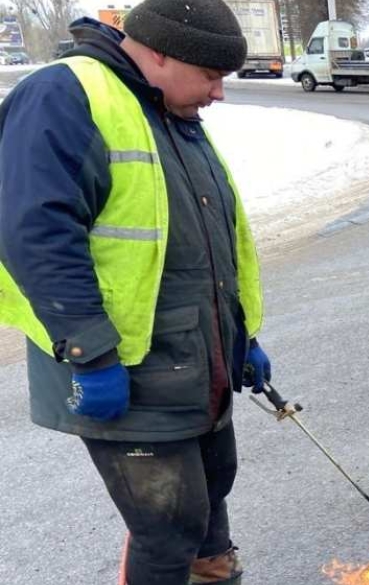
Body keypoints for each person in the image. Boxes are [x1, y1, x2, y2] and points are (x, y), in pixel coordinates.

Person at [0, 1, 271, 583]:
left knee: (209, 504)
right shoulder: (64, 96)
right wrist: (90, 354)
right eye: (210, 76)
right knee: (167, 526)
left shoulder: (171, 112)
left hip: (198, 359)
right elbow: (34, 233)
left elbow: (205, 243)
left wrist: (241, 335)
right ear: (160, 54)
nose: (218, 94)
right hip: (120, 367)